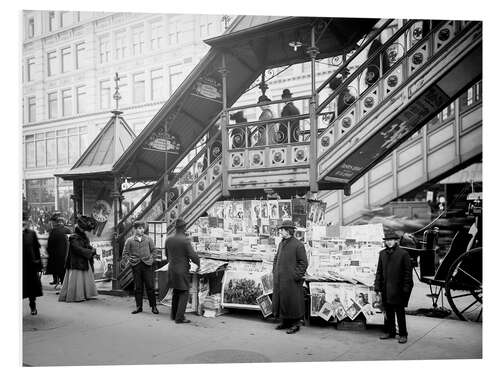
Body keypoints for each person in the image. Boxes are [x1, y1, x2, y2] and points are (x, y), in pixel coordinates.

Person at [374, 228, 414, 344]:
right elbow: (379, 272)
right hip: (386, 288)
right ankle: (389, 332)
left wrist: (406, 289)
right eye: (387, 240)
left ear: (396, 241)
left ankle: (403, 334)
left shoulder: (403, 254)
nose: (389, 242)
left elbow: (408, 273)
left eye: (391, 240)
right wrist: (377, 286)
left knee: (400, 313)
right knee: (388, 312)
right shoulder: (382, 254)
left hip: (399, 289)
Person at [272, 220, 308, 334]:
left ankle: (295, 324)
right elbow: (276, 258)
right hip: (280, 279)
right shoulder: (281, 243)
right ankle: (285, 321)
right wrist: (275, 271)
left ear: (288, 231)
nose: (280, 232)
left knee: (292, 302)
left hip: (292, 281)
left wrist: (295, 276)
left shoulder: (298, 245)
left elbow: (303, 263)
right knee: (283, 301)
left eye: (282, 230)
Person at [164, 218, 200, 323]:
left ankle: (173, 315)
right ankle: (179, 317)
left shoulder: (168, 239)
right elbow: (193, 255)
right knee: (184, 292)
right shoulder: (185, 240)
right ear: (183, 228)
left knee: (176, 291)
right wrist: (198, 264)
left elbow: (167, 255)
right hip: (182, 270)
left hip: (171, 269)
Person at [58, 215, 99, 303]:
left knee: (82, 279)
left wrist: (92, 250)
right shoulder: (74, 237)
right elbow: (78, 249)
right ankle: (77, 296)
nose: (85, 231)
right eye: (84, 229)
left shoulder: (81, 237)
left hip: (82, 261)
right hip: (76, 262)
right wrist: (90, 252)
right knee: (78, 279)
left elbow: (85, 246)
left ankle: (84, 294)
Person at [122, 221, 159, 314]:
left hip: (147, 265)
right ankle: (139, 307)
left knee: (150, 286)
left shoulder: (148, 239)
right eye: (139, 228)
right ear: (135, 229)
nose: (142, 230)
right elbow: (125, 253)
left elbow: (154, 251)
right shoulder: (129, 240)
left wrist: (151, 260)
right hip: (136, 266)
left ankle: (153, 306)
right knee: (138, 287)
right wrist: (130, 260)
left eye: (143, 228)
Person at [23, 214, 43, 315]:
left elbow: (36, 250)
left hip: (30, 266)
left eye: (24, 221)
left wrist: (39, 266)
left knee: (31, 289)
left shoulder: (31, 234)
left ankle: (32, 306)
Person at [46, 213, 71, 287]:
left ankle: (60, 282)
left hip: (56, 254)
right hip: (66, 253)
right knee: (63, 269)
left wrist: (49, 251)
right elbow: (71, 240)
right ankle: (63, 283)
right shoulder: (68, 230)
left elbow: (50, 243)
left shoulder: (54, 231)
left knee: (58, 269)